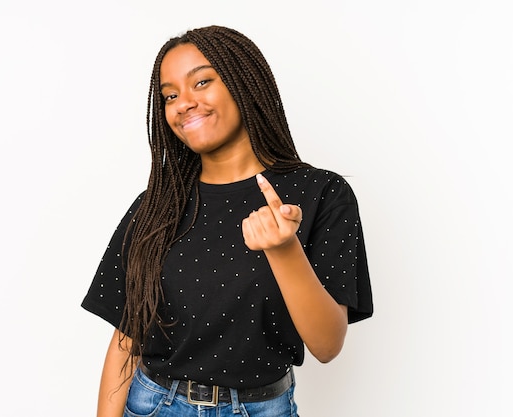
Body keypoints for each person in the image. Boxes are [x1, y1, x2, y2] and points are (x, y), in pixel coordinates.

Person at [81, 25, 373, 417]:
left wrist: (283, 250)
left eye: (201, 82)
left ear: (242, 83)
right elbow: (126, 336)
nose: (183, 103)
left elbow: (327, 345)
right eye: (169, 95)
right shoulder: (156, 206)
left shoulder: (322, 194)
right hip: (154, 406)